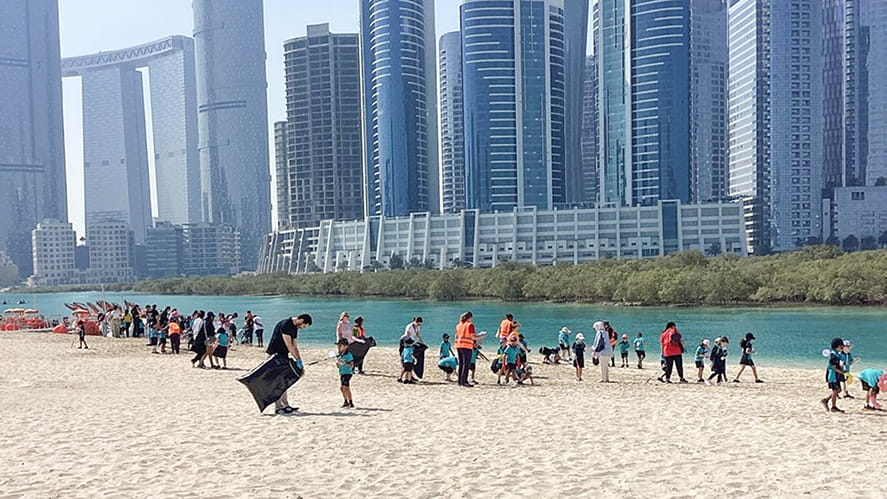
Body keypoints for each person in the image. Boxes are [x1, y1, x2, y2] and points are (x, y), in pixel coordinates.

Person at [266, 314, 313, 414]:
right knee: (276, 381)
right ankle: (278, 407)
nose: (303, 327)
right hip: (274, 355)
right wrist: (296, 358)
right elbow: (289, 344)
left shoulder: (295, 328)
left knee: (284, 381)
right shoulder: (285, 324)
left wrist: (299, 360)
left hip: (283, 355)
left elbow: (295, 346)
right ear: (301, 320)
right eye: (304, 325)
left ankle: (286, 405)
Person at [822, 337, 847, 414]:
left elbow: (843, 360)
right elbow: (834, 367)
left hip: (836, 375)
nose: (842, 348)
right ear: (838, 346)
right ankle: (833, 407)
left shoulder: (837, 354)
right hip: (832, 376)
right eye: (841, 346)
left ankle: (826, 400)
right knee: (836, 390)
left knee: (838, 390)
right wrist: (842, 372)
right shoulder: (833, 355)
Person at [454, 312, 477, 387]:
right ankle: (464, 381)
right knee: (466, 364)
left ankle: (460, 381)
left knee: (461, 364)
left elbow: (456, 335)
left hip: (459, 345)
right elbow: (473, 336)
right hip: (467, 345)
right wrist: (480, 336)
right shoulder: (470, 325)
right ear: (469, 317)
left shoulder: (459, 325)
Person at [336, 338, 355, 408]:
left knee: (345, 387)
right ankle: (346, 401)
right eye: (338, 346)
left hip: (348, 373)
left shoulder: (348, 355)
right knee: (342, 388)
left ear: (346, 346)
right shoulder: (340, 355)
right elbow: (339, 365)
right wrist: (338, 364)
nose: (339, 347)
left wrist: (345, 362)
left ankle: (350, 402)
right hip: (342, 372)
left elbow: (351, 365)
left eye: (340, 345)